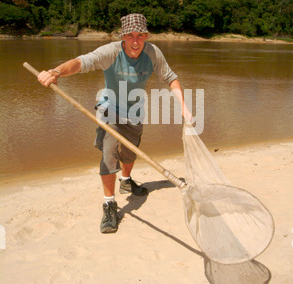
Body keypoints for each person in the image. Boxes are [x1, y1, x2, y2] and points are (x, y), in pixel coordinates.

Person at [38, 13, 192, 234]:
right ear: (122, 36)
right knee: (109, 155)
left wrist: (183, 108)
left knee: (130, 153)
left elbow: (170, 78)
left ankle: (127, 181)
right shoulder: (110, 52)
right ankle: (109, 203)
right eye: (130, 35)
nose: (136, 41)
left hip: (136, 112)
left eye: (140, 35)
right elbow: (82, 62)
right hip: (110, 110)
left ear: (147, 35)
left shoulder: (153, 53)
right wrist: (56, 72)